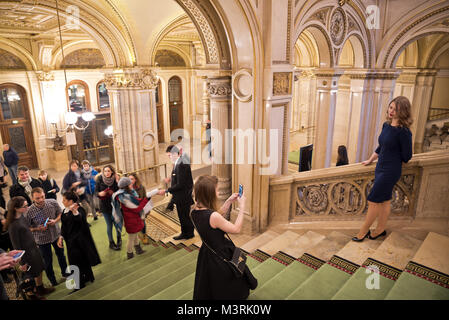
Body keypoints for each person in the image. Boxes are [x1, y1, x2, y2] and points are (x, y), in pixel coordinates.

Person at [353, 96, 413, 242]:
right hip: (380, 167)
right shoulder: (386, 126)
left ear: (403, 112)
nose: (392, 111)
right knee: (385, 200)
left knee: (373, 200)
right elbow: (381, 147)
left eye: (396, 109)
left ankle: (363, 231)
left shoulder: (404, 132)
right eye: (391, 107)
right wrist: (370, 160)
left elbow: (407, 156)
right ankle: (380, 229)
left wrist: (393, 156)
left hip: (390, 170)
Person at [190, 175, 257, 300]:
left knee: (211, 284)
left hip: (207, 253)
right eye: (216, 189)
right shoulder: (213, 216)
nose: (218, 192)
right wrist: (242, 207)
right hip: (221, 253)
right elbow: (236, 229)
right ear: (209, 194)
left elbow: (215, 218)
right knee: (229, 279)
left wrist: (229, 201)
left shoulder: (194, 211)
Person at [4, 196, 55, 298]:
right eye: (24, 206)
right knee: (30, 275)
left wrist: (37, 229)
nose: (27, 207)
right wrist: (22, 262)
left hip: (33, 248)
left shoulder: (22, 216)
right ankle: (31, 294)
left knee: (39, 269)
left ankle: (40, 288)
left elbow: (28, 229)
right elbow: (16, 245)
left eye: (27, 204)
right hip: (26, 254)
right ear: (16, 208)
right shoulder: (13, 225)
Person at [57, 191, 101, 290]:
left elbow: (80, 219)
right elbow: (64, 227)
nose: (62, 201)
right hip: (70, 242)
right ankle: (87, 277)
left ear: (70, 201)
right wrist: (61, 237)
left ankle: (79, 284)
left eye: (64, 200)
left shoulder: (79, 209)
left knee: (76, 262)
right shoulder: (64, 212)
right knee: (79, 261)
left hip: (80, 241)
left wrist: (74, 212)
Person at [26, 188, 69, 286]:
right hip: (42, 240)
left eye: (42, 197)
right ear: (32, 199)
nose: (41, 200)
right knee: (47, 261)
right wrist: (37, 228)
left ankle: (65, 273)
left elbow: (60, 213)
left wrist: (55, 221)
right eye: (37, 198)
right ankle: (53, 281)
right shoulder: (29, 211)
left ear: (44, 194)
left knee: (61, 255)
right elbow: (27, 228)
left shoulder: (53, 202)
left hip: (56, 235)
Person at [158, 145, 195, 240]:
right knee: (183, 216)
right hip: (181, 195)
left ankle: (188, 234)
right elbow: (180, 179)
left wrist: (166, 190)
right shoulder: (179, 162)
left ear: (175, 154)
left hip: (183, 196)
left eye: (169, 155)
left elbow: (181, 184)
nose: (169, 157)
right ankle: (186, 233)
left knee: (184, 216)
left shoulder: (181, 164)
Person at [112, 177, 150, 259]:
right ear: (126, 186)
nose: (131, 184)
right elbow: (137, 209)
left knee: (135, 235)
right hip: (131, 220)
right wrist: (146, 200)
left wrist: (144, 199)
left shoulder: (128, 194)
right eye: (130, 184)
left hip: (133, 219)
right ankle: (129, 253)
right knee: (131, 238)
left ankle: (138, 250)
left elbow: (137, 201)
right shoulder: (125, 197)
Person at [95, 165, 121, 250]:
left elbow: (120, 191)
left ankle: (119, 239)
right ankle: (111, 243)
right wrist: (99, 194)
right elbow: (95, 192)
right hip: (105, 206)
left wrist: (117, 181)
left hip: (115, 205)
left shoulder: (115, 179)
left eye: (108, 171)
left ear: (112, 172)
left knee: (117, 224)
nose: (107, 173)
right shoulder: (99, 179)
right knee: (109, 225)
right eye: (105, 171)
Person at [128, 173, 150, 245]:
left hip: (140, 208)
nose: (130, 181)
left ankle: (144, 235)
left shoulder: (141, 187)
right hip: (132, 209)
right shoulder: (127, 189)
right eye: (129, 179)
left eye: (132, 179)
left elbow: (144, 198)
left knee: (143, 223)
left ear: (135, 179)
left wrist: (146, 209)